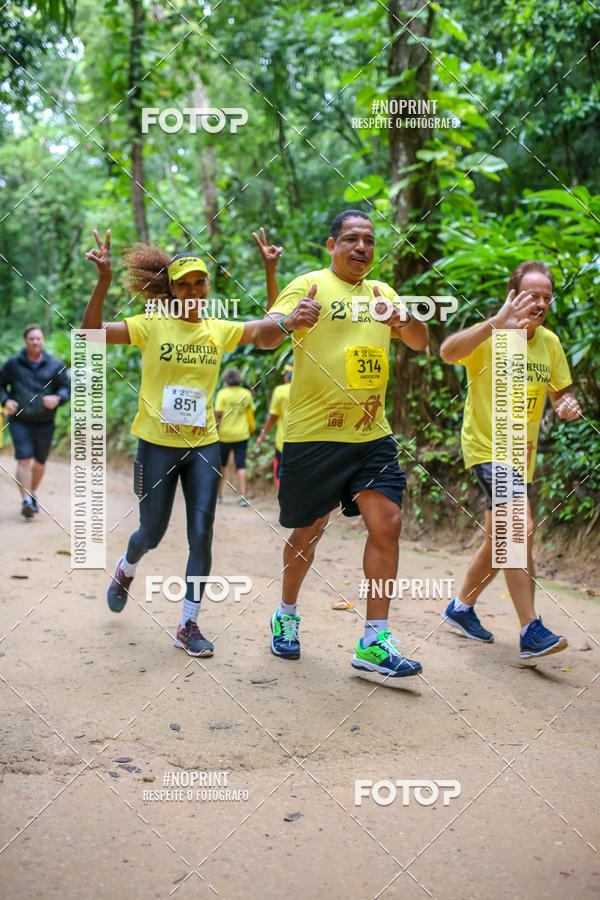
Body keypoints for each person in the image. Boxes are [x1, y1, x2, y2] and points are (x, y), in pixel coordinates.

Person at [253, 209, 429, 677]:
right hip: (313, 436)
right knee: (308, 532)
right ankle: (286, 614)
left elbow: (419, 341)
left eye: (369, 240)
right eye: (351, 239)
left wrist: (404, 318)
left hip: (371, 434)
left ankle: (374, 640)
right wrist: (291, 320)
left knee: (387, 521)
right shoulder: (307, 284)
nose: (362, 248)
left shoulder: (383, 293)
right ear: (331, 245)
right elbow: (262, 337)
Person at [82, 229, 267, 657]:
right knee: (152, 532)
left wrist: (271, 272)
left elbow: (269, 331)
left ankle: (188, 623)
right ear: (170, 289)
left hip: (204, 444)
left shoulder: (219, 328)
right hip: (157, 444)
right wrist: (103, 281)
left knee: (201, 533)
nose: (192, 290)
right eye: (183, 284)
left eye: (199, 282)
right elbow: (89, 332)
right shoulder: (151, 325)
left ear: (207, 286)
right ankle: (126, 568)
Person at [439, 260, 583, 658]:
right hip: (488, 448)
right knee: (519, 529)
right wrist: (494, 323)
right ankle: (530, 630)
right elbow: (448, 351)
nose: (539, 303)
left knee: (499, 539)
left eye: (545, 297)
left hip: (523, 456)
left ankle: (460, 608)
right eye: (531, 295)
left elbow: (561, 394)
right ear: (512, 295)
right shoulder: (490, 336)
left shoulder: (550, 343)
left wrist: (568, 404)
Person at [0, 324, 70, 518]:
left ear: (43, 341)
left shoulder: (55, 365)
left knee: (39, 463)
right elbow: (1, 385)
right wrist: (6, 401)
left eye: (38, 338)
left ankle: (31, 494)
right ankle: (26, 500)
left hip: (45, 422)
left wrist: (58, 399)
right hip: (20, 420)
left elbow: (66, 388)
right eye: (32, 339)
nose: (35, 342)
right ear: (26, 341)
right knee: (24, 458)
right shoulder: (13, 364)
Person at [215, 367, 255, 505]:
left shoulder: (222, 394)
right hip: (241, 435)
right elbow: (250, 416)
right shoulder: (246, 394)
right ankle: (243, 496)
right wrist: (251, 430)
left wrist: (215, 431)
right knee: (241, 465)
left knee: (221, 465)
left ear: (226, 380)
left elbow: (218, 416)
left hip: (224, 436)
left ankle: (218, 494)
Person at [255, 363, 293, 487]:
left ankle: (285, 504)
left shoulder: (280, 391)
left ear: (287, 376)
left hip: (284, 442)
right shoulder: (307, 389)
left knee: (281, 474)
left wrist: (262, 435)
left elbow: (272, 418)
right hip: (306, 442)